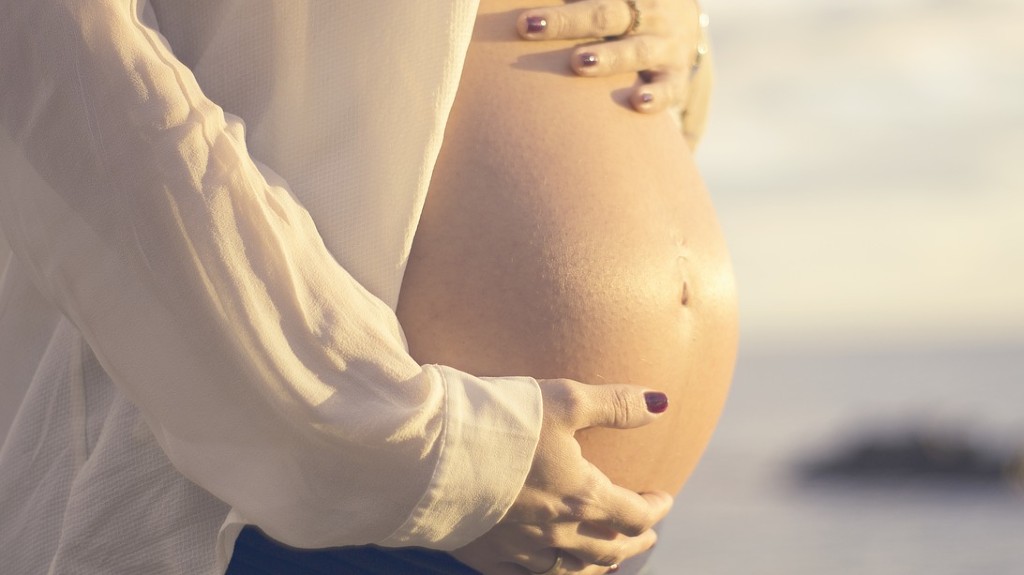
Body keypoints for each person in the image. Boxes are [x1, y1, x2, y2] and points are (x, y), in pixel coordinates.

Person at [0, 1, 728, 574]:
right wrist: (413, 452)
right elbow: (61, 55)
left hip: (587, 525)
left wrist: (682, 34)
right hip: (291, 516)